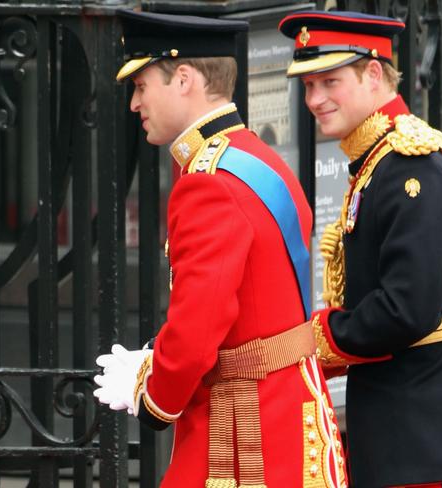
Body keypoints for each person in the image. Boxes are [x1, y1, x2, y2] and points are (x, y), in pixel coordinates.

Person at [93, 10, 346, 488]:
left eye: (143, 85)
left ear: (183, 79)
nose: (134, 103)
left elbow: (197, 331)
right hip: (289, 411)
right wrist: (155, 358)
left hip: (245, 429)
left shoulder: (208, 185)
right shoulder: (258, 156)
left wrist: (152, 391)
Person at [279, 10, 442, 488]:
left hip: (420, 432)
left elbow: (405, 310)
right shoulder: (380, 159)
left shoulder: (412, 168)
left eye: (330, 81)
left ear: (374, 73)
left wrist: (318, 336)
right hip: (409, 425)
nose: (314, 99)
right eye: (308, 86)